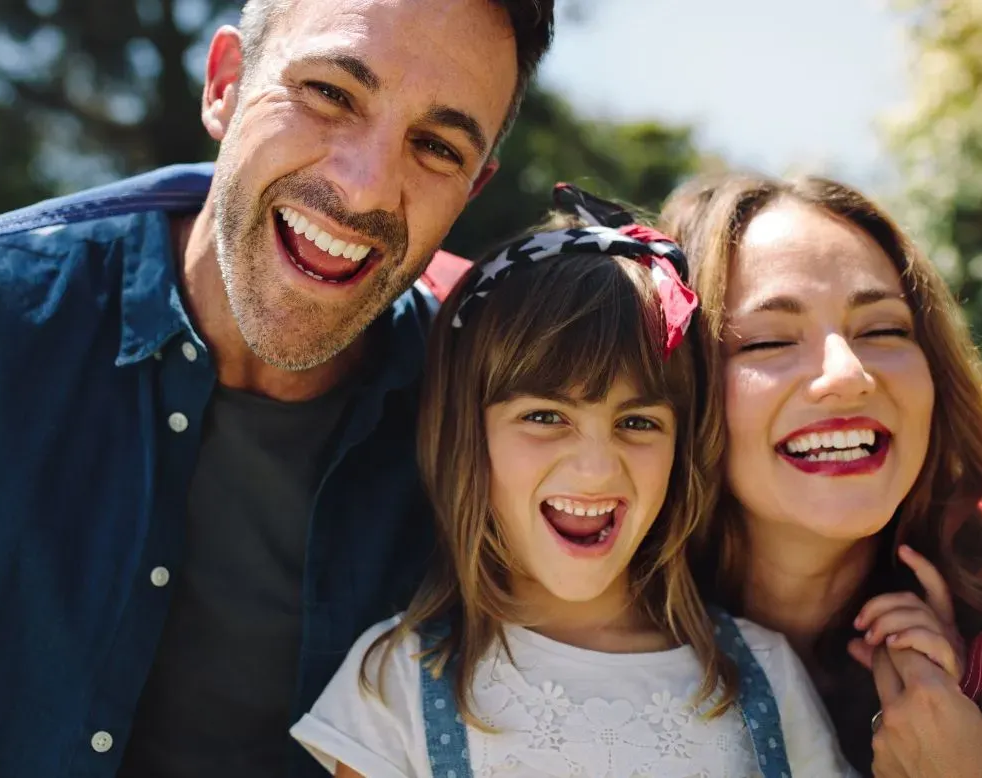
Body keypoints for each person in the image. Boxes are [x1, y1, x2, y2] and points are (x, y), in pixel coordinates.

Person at [0, 1, 556, 776]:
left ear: (473, 186)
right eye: (330, 94)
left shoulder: (502, 443)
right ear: (226, 85)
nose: (367, 185)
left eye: (438, 148)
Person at [290, 184, 854, 777]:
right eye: (544, 417)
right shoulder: (396, 682)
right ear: (466, 435)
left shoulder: (765, 676)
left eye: (637, 422)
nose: (595, 468)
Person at [660, 171, 982, 777]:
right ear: (673, 388)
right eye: (768, 341)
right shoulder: (554, 643)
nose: (848, 373)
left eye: (883, 330)